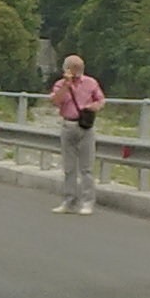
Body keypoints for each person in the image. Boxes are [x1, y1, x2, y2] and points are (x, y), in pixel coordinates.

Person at [49, 54, 107, 215]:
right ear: (66, 69)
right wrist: (66, 85)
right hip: (68, 125)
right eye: (73, 67)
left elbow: (101, 100)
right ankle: (69, 201)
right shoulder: (60, 84)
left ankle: (88, 202)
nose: (77, 70)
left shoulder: (90, 83)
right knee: (69, 167)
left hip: (85, 126)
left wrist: (94, 106)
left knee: (86, 168)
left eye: (79, 67)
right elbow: (55, 101)